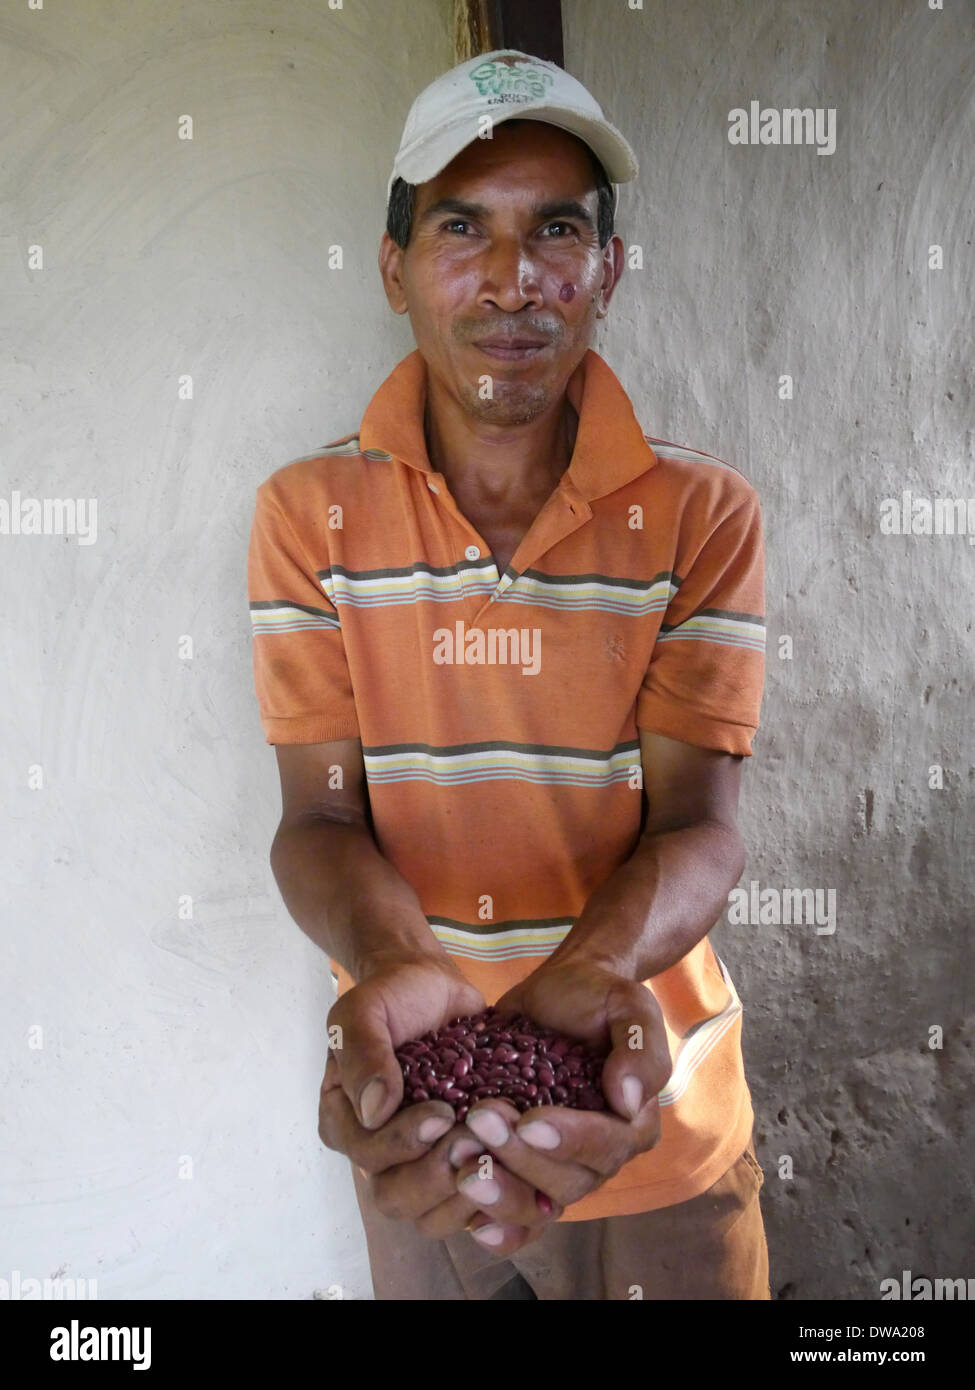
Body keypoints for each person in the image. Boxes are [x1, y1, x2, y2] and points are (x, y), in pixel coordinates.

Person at [247, 49, 770, 1300]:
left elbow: (700, 828)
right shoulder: (303, 515)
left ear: (608, 272)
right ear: (393, 270)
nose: (514, 277)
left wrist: (592, 970)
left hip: (651, 1098)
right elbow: (317, 822)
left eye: (558, 229)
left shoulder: (703, 515)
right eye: (462, 226)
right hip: (416, 1114)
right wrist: (392, 963)